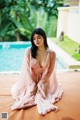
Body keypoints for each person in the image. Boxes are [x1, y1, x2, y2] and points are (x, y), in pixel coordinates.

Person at [11, 28, 63, 115]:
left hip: (44, 80)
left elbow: (49, 72)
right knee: (28, 94)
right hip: (30, 79)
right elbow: (26, 71)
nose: (36, 40)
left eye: (38, 37)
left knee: (43, 95)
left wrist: (41, 84)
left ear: (44, 38)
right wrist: (33, 84)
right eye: (34, 38)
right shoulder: (29, 51)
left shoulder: (51, 54)